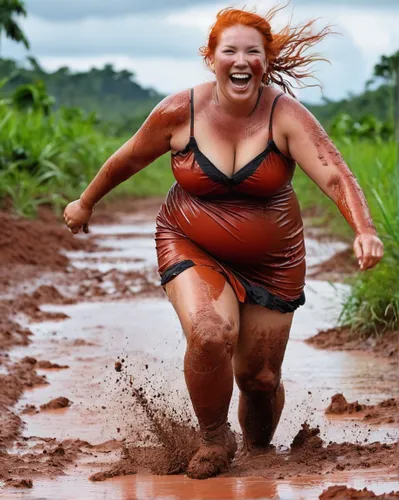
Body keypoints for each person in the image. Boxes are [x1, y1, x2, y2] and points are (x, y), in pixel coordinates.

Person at [64, 6, 384, 480]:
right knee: (211, 334)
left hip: (274, 261)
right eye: (229, 50)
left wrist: (364, 229)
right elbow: (128, 159)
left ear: (266, 61)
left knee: (259, 380)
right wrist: (85, 202)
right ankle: (213, 437)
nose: (241, 60)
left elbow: (336, 175)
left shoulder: (286, 115)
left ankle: (257, 453)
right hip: (190, 241)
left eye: (252, 52)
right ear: (210, 58)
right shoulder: (179, 111)